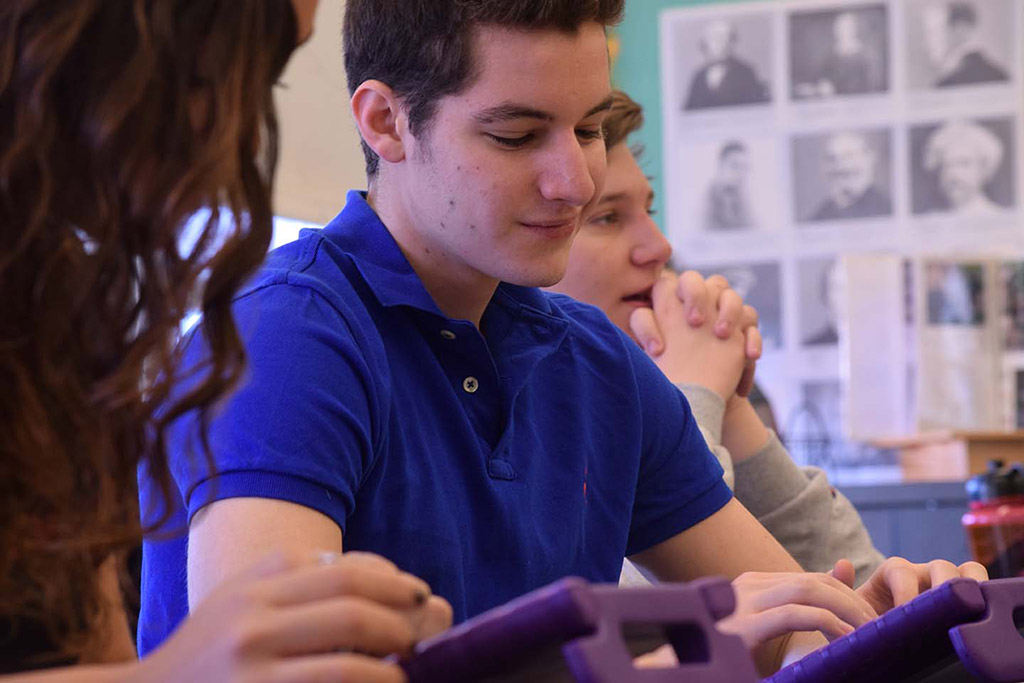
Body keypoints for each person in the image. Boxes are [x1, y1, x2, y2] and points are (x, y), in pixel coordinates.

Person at [139, 0, 986, 676]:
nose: (574, 180)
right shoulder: (288, 338)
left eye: (587, 128)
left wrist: (902, 621)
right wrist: (675, 658)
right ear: (386, 123)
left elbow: (781, 627)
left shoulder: (595, 360)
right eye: (516, 136)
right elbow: (266, 674)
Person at [0, 1, 449, 680]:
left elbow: (88, 656)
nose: (242, 137)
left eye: (269, 79)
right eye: (223, 65)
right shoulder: (302, 319)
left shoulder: (57, 308)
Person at [548, 91, 882, 586]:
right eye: (609, 218)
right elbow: (665, 600)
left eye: (648, 209)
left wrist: (727, 402)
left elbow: (847, 580)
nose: (659, 247)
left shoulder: (645, 373)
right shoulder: (526, 410)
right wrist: (695, 393)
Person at [922, 120, 1005, 215]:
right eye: (946, 165)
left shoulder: (998, 216)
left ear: (984, 169)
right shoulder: (930, 220)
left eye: (963, 163)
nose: (953, 174)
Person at [684, 19, 769, 110]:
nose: (720, 43)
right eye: (714, 38)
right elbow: (688, 109)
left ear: (732, 42)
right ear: (706, 43)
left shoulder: (746, 71)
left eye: (724, 38)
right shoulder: (698, 75)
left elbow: (755, 107)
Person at [809, 131, 892, 222]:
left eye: (849, 156)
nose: (840, 166)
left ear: (870, 158)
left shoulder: (886, 210)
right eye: (831, 159)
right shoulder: (820, 215)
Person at [923, 1, 1008, 88]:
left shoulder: (947, 84)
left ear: (960, 29)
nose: (926, 43)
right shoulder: (1000, 75)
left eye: (935, 32)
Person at [796, 11, 877, 99]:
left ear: (854, 30)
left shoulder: (863, 57)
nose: (841, 31)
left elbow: (865, 88)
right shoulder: (831, 55)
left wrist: (833, 90)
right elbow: (823, 78)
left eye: (846, 28)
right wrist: (814, 88)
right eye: (838, 27)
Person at [704, 141, 756, 230]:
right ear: (720, 166)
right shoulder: (705, 203)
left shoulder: (744, 200)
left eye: (744, 167)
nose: (741, 173)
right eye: (735, 166)